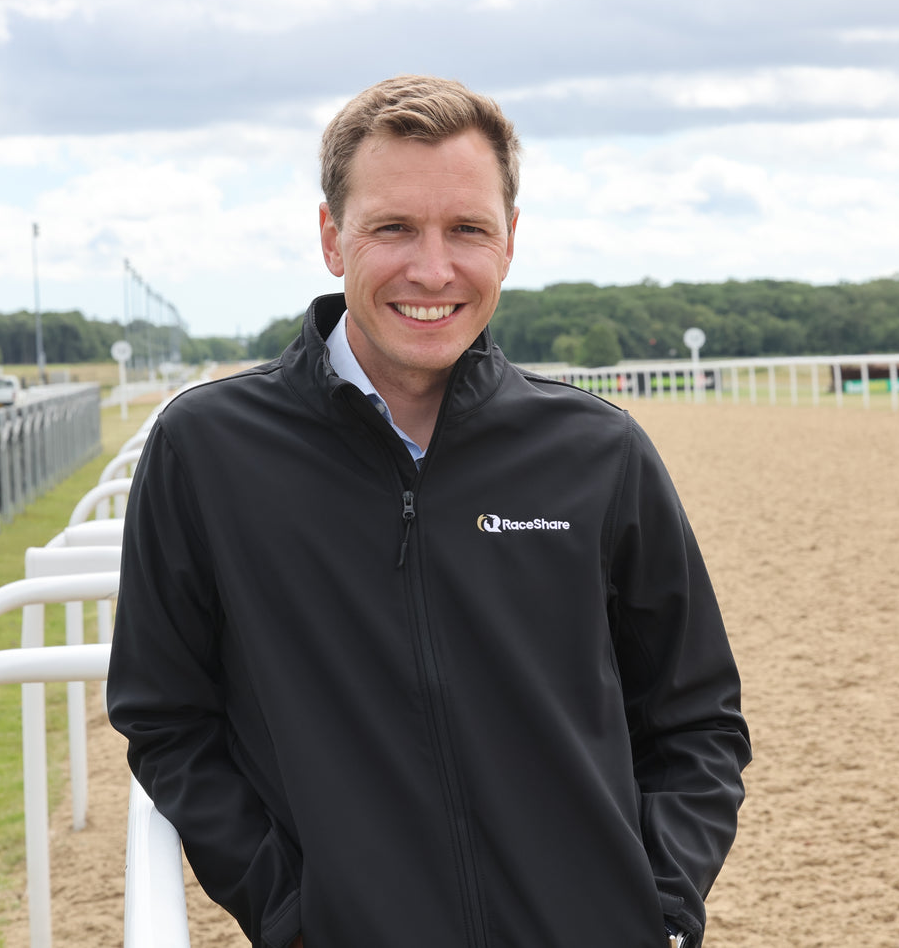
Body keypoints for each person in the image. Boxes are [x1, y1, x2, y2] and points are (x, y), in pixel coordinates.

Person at [107, 75, 750, 948]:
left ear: (510, 241)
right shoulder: (207, 449)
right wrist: (293, 915)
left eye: (467, 230)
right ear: (332, 238)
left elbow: (696, 717)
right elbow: (166, 715)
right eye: (394, 228)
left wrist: (662, 909)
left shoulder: (600, 451)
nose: (433, 270)